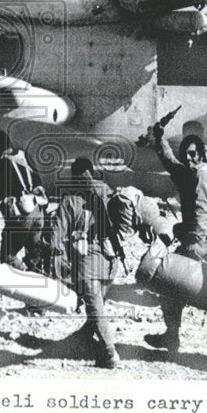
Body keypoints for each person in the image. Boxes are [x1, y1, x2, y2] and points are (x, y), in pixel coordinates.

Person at [142, 120, 207, 365]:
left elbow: (202, 214)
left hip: (201, 243)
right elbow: (172, 165)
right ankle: (179, 338)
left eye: (193, 153)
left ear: (201, 154)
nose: (189, 158)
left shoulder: (202, 176)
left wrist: (192, 240)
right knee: (188, 292)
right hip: (199, 240)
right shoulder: (192, 173)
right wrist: (159, 141)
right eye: (186, 154)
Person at [49, 157, 119, 368]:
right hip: (110, 261)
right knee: (96, 306)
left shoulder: (70, 201)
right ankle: (85, 340)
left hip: (88, 262)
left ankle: (109, 353)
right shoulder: (109, 193)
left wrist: (57, 266)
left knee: (95, 308)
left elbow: (56, 237)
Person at [0, 130, 47, 273]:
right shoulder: (25, 158)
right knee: (34, 255)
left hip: (22, 214)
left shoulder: (0, 165)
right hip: (38, 212)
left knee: (8, 256)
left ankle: (26, 274)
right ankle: (37, 279)